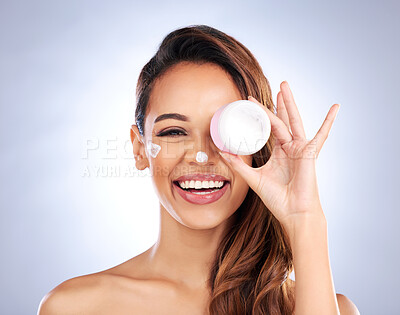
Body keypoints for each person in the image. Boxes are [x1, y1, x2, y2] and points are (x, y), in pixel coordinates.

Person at [38, 25, 360, 314]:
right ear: (140, 149)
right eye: (174, 132)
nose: (202, 156)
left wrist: (305, 220)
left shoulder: (326, 308)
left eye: (224, 131)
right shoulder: (76, 307)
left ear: (256, 145)